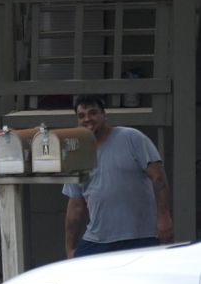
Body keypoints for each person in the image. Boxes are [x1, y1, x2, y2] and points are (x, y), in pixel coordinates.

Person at [62, 95, 173, 258]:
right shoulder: (75, 153)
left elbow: (158, 177)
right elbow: (75, 205)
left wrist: (164, 218)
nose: (87, 119)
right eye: (81, 116)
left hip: (141, 237)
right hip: (98, 240)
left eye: (93, 113)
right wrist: (70, 248)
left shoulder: (132, 138)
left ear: (104, 115)